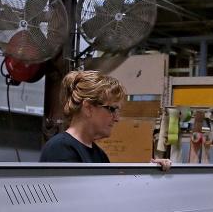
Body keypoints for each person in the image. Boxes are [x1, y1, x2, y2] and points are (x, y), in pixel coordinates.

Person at [39, 70, 171, 169]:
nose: (117, 118)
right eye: (112, 109)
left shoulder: (99, 155)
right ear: (88, 108)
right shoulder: (61, 150)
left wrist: (150, 172)